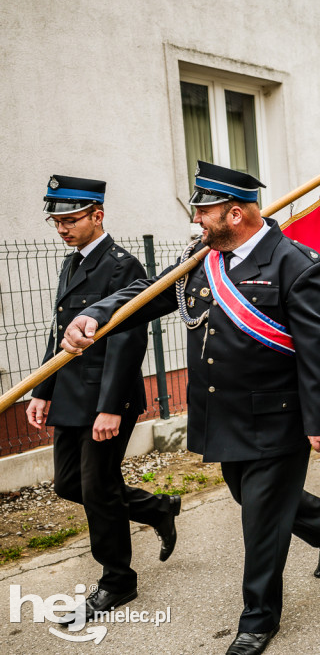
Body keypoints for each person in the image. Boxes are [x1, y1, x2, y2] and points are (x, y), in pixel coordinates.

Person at [62, 162, 320, 655]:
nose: (197, 222)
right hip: (224, 416)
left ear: (234, 214)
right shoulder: (203, 255)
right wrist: (96, 313)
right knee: (251, 499)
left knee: (259, 521)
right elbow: (148, 294)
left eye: (204, 213)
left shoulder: (296, 264)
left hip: (277, 417)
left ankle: (258, 619)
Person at [26, 175, 180, 626]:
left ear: (98, 215)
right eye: (56, 221)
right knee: (68, 485)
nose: (62, 229)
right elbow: (61, 334)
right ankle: (157, 508)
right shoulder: (72, 263)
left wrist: (110, 406)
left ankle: (117, 580)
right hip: (71, 393)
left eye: (71, 219)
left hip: (107, 398)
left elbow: (128, 340)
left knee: (97, 487)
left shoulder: (122, 265)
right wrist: (42, 390)